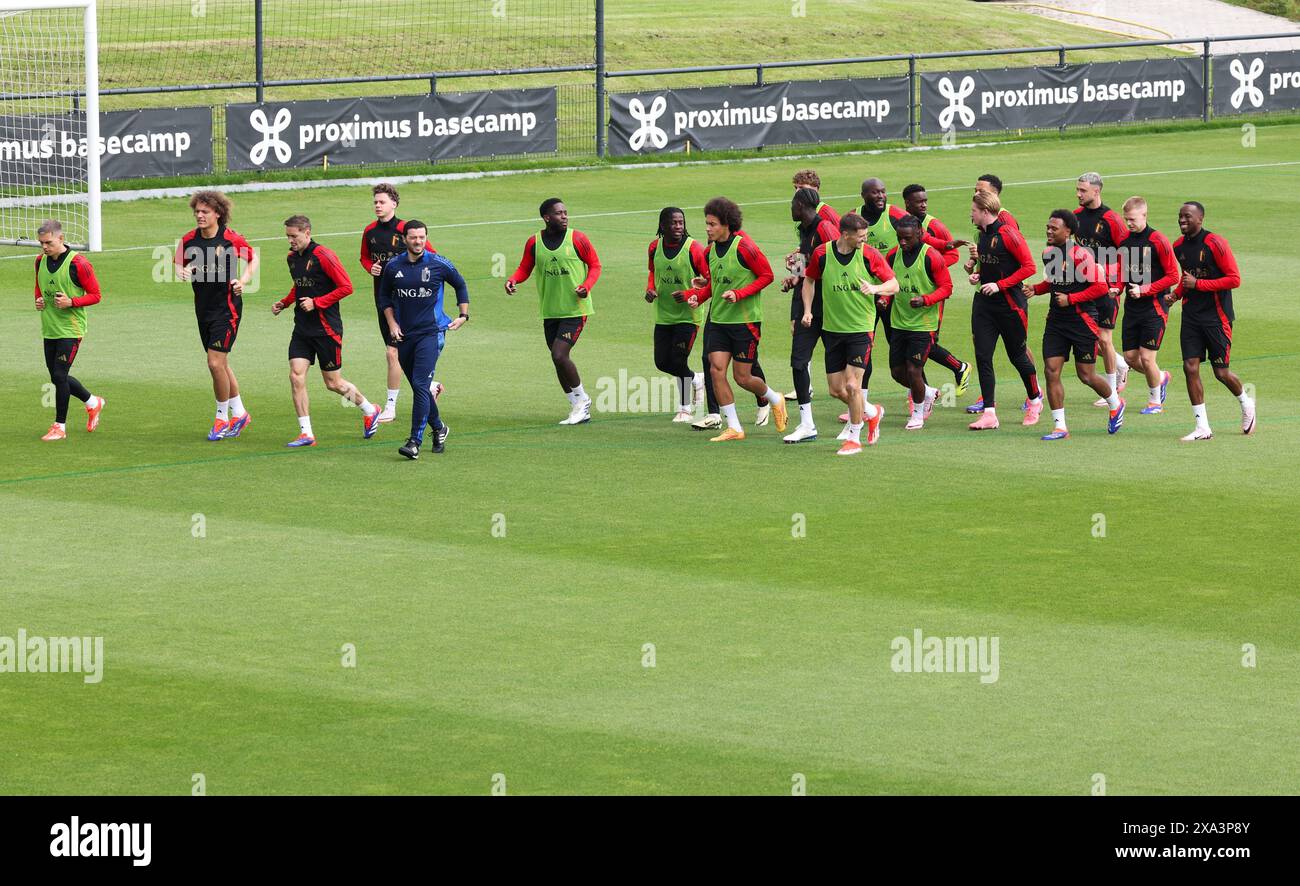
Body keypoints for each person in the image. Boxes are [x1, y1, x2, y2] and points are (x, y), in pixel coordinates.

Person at [676, 196, 787, 441]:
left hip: (745, 323)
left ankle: (774, 399)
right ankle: (734, 427)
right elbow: (714, 286)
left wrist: (739, 294)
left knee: (743, 377)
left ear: (727, 224)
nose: (708, 228)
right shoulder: (709, 252)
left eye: (712, 224)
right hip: (718, 322)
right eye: (706, 223)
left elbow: (767, 275)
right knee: (716, 371)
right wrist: (698, 297)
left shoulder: (745, 248)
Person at [272, 215, 382, 448]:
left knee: (333, 383)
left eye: (294, 236)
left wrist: (317, 302)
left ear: (307, 233)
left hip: (326, 328)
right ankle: (306, 433)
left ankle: (369, 409)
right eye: (288, 236)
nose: (290, 240)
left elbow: (347, 287)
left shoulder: (325, 255)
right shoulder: (292, 258)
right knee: (296, 375)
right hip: (302, 328)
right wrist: (285, 302)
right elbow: (300, 284)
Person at [802, 212, 896, 453]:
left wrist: (875, 288)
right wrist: (808, 310)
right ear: (846, 235)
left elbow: (893, 284)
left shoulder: (869, 255)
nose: (864, 240)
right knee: (836, 390)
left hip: (860, 329)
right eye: (861, 237)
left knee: (853, 386)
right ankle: (872, 412)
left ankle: (854, 438)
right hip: (832, 330)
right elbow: (809, 280)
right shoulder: (823, 253)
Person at [1029, 210, 1124, 440]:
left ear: (1068, 231)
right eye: (1048, 227)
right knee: (1051, 371)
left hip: (1082, 321)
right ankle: (1060, 427)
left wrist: (1071, 299)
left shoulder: (1081, 255)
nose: (1049, 231)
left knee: (1086, 375)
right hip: (1056, 321)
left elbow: (1100, 287)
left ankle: (1115, 404)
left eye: (1054, 228)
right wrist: (1036, 289)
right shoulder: (1048, 253)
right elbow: (1054, 281)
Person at [505, 197, 601, 426]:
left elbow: (595, 265)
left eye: (566, 212)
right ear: (547, 217)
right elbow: (525, 267)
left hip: (575, 310)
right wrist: (513, 279)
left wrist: (586, 287)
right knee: (557, 359)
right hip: (550, 310)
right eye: (559, 213)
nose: (565, 216)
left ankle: (583, 401)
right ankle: (576, 404)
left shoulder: (577, 238)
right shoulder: (534, 242)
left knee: (560, 354)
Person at [378, 220, 469, 458]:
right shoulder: (393, 266)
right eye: (413, 237)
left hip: (432, 332)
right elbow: (384, 297)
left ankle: (414, 442)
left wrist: (463, 315)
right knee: (420, 387)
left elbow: (460, 284)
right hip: (404, 335)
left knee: (419, 384)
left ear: (426, 238)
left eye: (422, 237)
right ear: (404, 239)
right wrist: (392, 323)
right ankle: (439, 428)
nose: (418, 241)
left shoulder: (438, 263)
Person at [175, 190, 259, 441]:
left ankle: (222, 417)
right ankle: (240, 413)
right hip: (203, 309)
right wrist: (183, 269)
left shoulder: (231, 239)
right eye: (197, 211)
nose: (199, 216)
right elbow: (178, 261)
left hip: (228, 309)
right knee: (220, 364)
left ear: (218, 214)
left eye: (204, 212)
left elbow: (253, 259)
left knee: (214, 363)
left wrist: (242, 280)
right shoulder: (189, 239)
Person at [1169, 201, 1255, 440]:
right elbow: (1187, 278)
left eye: (1187, 216)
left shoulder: (1215, 243)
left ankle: (1246, 403)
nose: (1182, 220)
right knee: (1190, 367)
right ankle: (1202, 427)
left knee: (1221, 373)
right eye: (1180, 216)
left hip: (1217, 318)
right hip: (1191, 317)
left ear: (1200, 219)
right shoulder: (1179, 246)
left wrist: (1199, 285)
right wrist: (1176, 295)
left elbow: (1234, 279)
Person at [962, 190, 1042, 430]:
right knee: (983, 356)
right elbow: (990, 266)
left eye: (974, 210)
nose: (971, 214)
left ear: (985, 211)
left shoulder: (1008, 234)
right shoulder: (981, 235)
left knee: (1017, 356)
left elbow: (1029, 267)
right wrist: (977, 274)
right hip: (984, 306)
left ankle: (1035, 400)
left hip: (1011, 305)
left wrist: (1000, 285)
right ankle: (989, 413)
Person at [360, 183, 438, 422]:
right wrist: (369, 267)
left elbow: (432, 256)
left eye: (382, 202)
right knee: (402, 353)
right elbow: (364, 257)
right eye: (375, 202)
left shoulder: (408, 230)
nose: (377, 206)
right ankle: (431, 386)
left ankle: (390, 407)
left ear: (394, 203)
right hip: (383, 302)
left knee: (392, 353)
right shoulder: (370, 231)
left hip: (407, 303)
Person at [33, 219, 105, 441]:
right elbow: (39, 284)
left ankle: (59, 427)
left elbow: (96, 295)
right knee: (57, 377)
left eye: (48, 242)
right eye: (41, 243)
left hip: (71, 329)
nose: (44, 247)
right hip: (49, 328)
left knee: (59, 375)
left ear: (61, 238)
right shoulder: (39, 261)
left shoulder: (79, 264)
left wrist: (71, 302)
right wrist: (37, 299)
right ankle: (93, 403)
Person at [883, 216, 954, 430]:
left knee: (914, 370)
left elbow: (947, 287)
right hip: (898, 322)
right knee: (897, 372)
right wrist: (884, 299)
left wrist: (926, 300)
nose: (902, 242)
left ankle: (917, 413)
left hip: (923, 325)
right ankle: (928, 392)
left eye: (907, 238)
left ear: (919, 234)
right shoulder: (893, 255)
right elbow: (888, 282)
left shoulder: (931, 257)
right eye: (899, 238)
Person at [902, 183, 971, 397]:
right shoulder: (902, 224)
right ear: (907, 203)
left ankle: (959, 368)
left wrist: (928, 268)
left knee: (926, 341)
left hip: (932, 293)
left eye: (925, 201)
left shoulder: (935, 225)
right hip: (905, 293)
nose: (923, 205)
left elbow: (953, 255)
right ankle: (922, 390)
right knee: (909, 341)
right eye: (919, 201)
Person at [781, 187, 839, 441]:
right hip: (809, 305)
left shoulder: (824, 229)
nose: (790, 208)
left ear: (802, 205)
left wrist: (803, 272)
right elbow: (810, 265)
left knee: (839, 371)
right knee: (798, 360)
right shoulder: (804, 229)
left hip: (830, 308)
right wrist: (795, 276)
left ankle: (865, 412)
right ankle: (807, 424)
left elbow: (836, 262)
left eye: (793, 203)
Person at [646, 207, 709, 422]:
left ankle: (685, 408)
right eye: (673, 223)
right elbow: (653, 271)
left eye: (681, 222)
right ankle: (696, 379)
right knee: (662, 362)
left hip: (688, 316)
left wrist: (690, 293)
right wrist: (650, 289)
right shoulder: (654, 247)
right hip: (664, 314)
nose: (678, 227)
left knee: (678, 359)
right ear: (662, 225)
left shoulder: (694, 249)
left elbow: (710, 280)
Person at [1074, 172, 1132, 405]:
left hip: (1108, 289)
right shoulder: (1075, 216)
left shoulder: (1112, 220)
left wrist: (1107, 273)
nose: (1078, 194)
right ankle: (1120, 364)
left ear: (1096, 191)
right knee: (1085, 337)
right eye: (1077, 190)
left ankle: (1112, 391)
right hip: (1084, 289)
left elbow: (1129, 255)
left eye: (1082, 191)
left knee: (1104, 339)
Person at [1117, 196, 1178, 415]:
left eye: (1132, 219)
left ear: (1144, 215)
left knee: (1146, 357)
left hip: (1155, 307)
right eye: (1126, 219)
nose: (1129, 224)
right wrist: (1116, 286)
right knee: (1130, 358)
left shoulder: (1158, 240)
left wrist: (1145, 289)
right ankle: (1161, 378)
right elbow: (1124, 271)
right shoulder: (1124, 241)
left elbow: (1173, 276)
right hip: (1132, 308)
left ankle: (1155, 402)